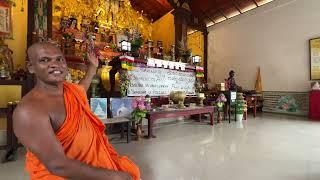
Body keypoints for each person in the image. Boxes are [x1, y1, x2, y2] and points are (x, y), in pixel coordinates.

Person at [13, 42, 140, 180]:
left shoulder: (69, 90)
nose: (55, 64)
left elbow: (81, 89)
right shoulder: (29, 111)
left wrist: (93, 67)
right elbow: (57, 165)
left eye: (59, 59)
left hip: (96, 165)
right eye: (44, 60)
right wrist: (114, 177)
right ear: (31, 67)